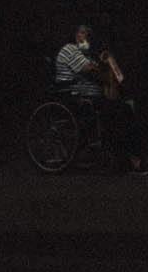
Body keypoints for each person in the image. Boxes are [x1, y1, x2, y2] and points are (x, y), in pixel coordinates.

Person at [53, 22, 139, 168]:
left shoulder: (87, 55)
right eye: (81, 32)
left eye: (87, 34)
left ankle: (126, 156)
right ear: (74, 34)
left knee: (126, 106)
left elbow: (99, 70)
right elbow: (90, 70)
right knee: (118, 110)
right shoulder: (69, 49)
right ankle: (128, 159)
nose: (85, 36)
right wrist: (102, 70)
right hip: (77, 96)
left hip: (92, 96)